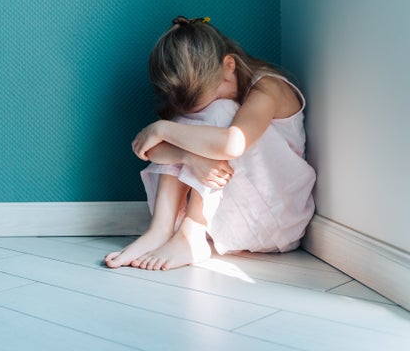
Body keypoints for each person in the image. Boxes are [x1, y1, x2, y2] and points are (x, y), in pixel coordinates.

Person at [105, 16, 316, 271]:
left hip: (278, 219)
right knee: (189, 128)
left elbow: (232, 144)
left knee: (218, 114)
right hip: (236, 217)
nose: (205, 110)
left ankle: (191, 236)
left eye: (210, 97)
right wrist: (192, 157)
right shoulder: (198, 98)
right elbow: (151, 150)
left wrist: (162, 128)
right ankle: (160, 229)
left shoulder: (268, 87)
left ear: (229, 66)